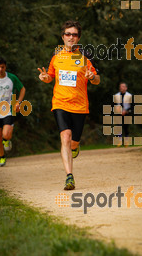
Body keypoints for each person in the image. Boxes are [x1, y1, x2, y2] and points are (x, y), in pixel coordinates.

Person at [38, 20, 100, 190]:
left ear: (78, 38)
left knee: (73, 142)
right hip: (60, 103)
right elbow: (50, 76)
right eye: (68, 34)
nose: (71, 37)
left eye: (74, 34)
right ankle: (69, 176)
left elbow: (97, 80)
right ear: (62, 36)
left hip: (80, 106)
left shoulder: (85, 58)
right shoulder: (56, 58)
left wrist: (92, 77)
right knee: (65, 136)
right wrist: (46, 78)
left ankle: (76, 145)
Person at [0, 57, 25, 167]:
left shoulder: (11, 78)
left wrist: (18, 102)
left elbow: (22, 89)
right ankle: (2, 157)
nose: (1, 69)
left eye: (2, 67)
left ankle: (6, 140)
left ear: (5, 67)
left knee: (6, 134)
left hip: (8, 109)